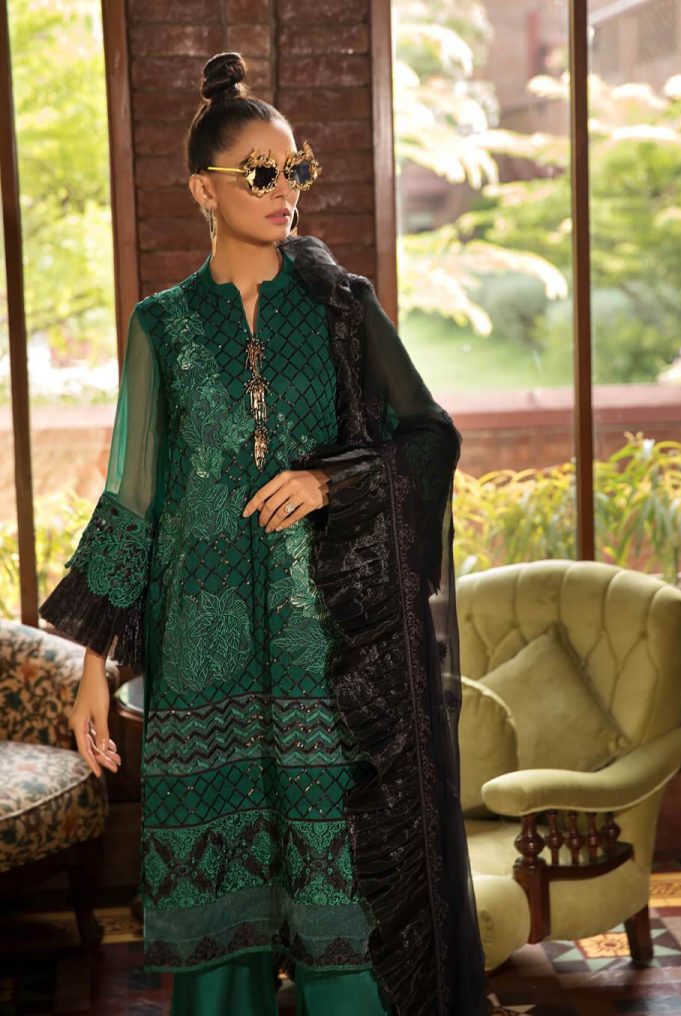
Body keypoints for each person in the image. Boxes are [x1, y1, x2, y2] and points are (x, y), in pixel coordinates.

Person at [39, 50, 489, 1016]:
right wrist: (92, 668)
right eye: (260, 173)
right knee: (219, 942)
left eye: (296, 169)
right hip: (199, 667)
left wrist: (331, 484)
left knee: (344, 930)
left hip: (322, 655)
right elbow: (133, 499)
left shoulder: (340, 310)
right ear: (203, 189)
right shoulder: (161, 327)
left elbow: (427, 436)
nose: (286, 189)